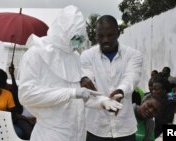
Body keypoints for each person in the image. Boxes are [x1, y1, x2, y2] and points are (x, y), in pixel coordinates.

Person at [18, 5, 123, 141]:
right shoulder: (36, 54)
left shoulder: (74, 57)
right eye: (75, 37)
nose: (77, 43)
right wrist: (71, 93)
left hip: (77, 133)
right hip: (50, 134)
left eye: (80, 38)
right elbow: (27, 95)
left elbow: (80, 98)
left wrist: (101, 102)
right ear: (63, 31)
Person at [80, 15, 143, 141]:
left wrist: (120, 91)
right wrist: (84, 79)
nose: (105, 40)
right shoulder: (87, 55)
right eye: (101, 36)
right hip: (96, 129)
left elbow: (131, 77)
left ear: (118, 34)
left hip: (124, 128)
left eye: (110, 35)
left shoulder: (133, 55)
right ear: (96, 35)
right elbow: (87, 74)